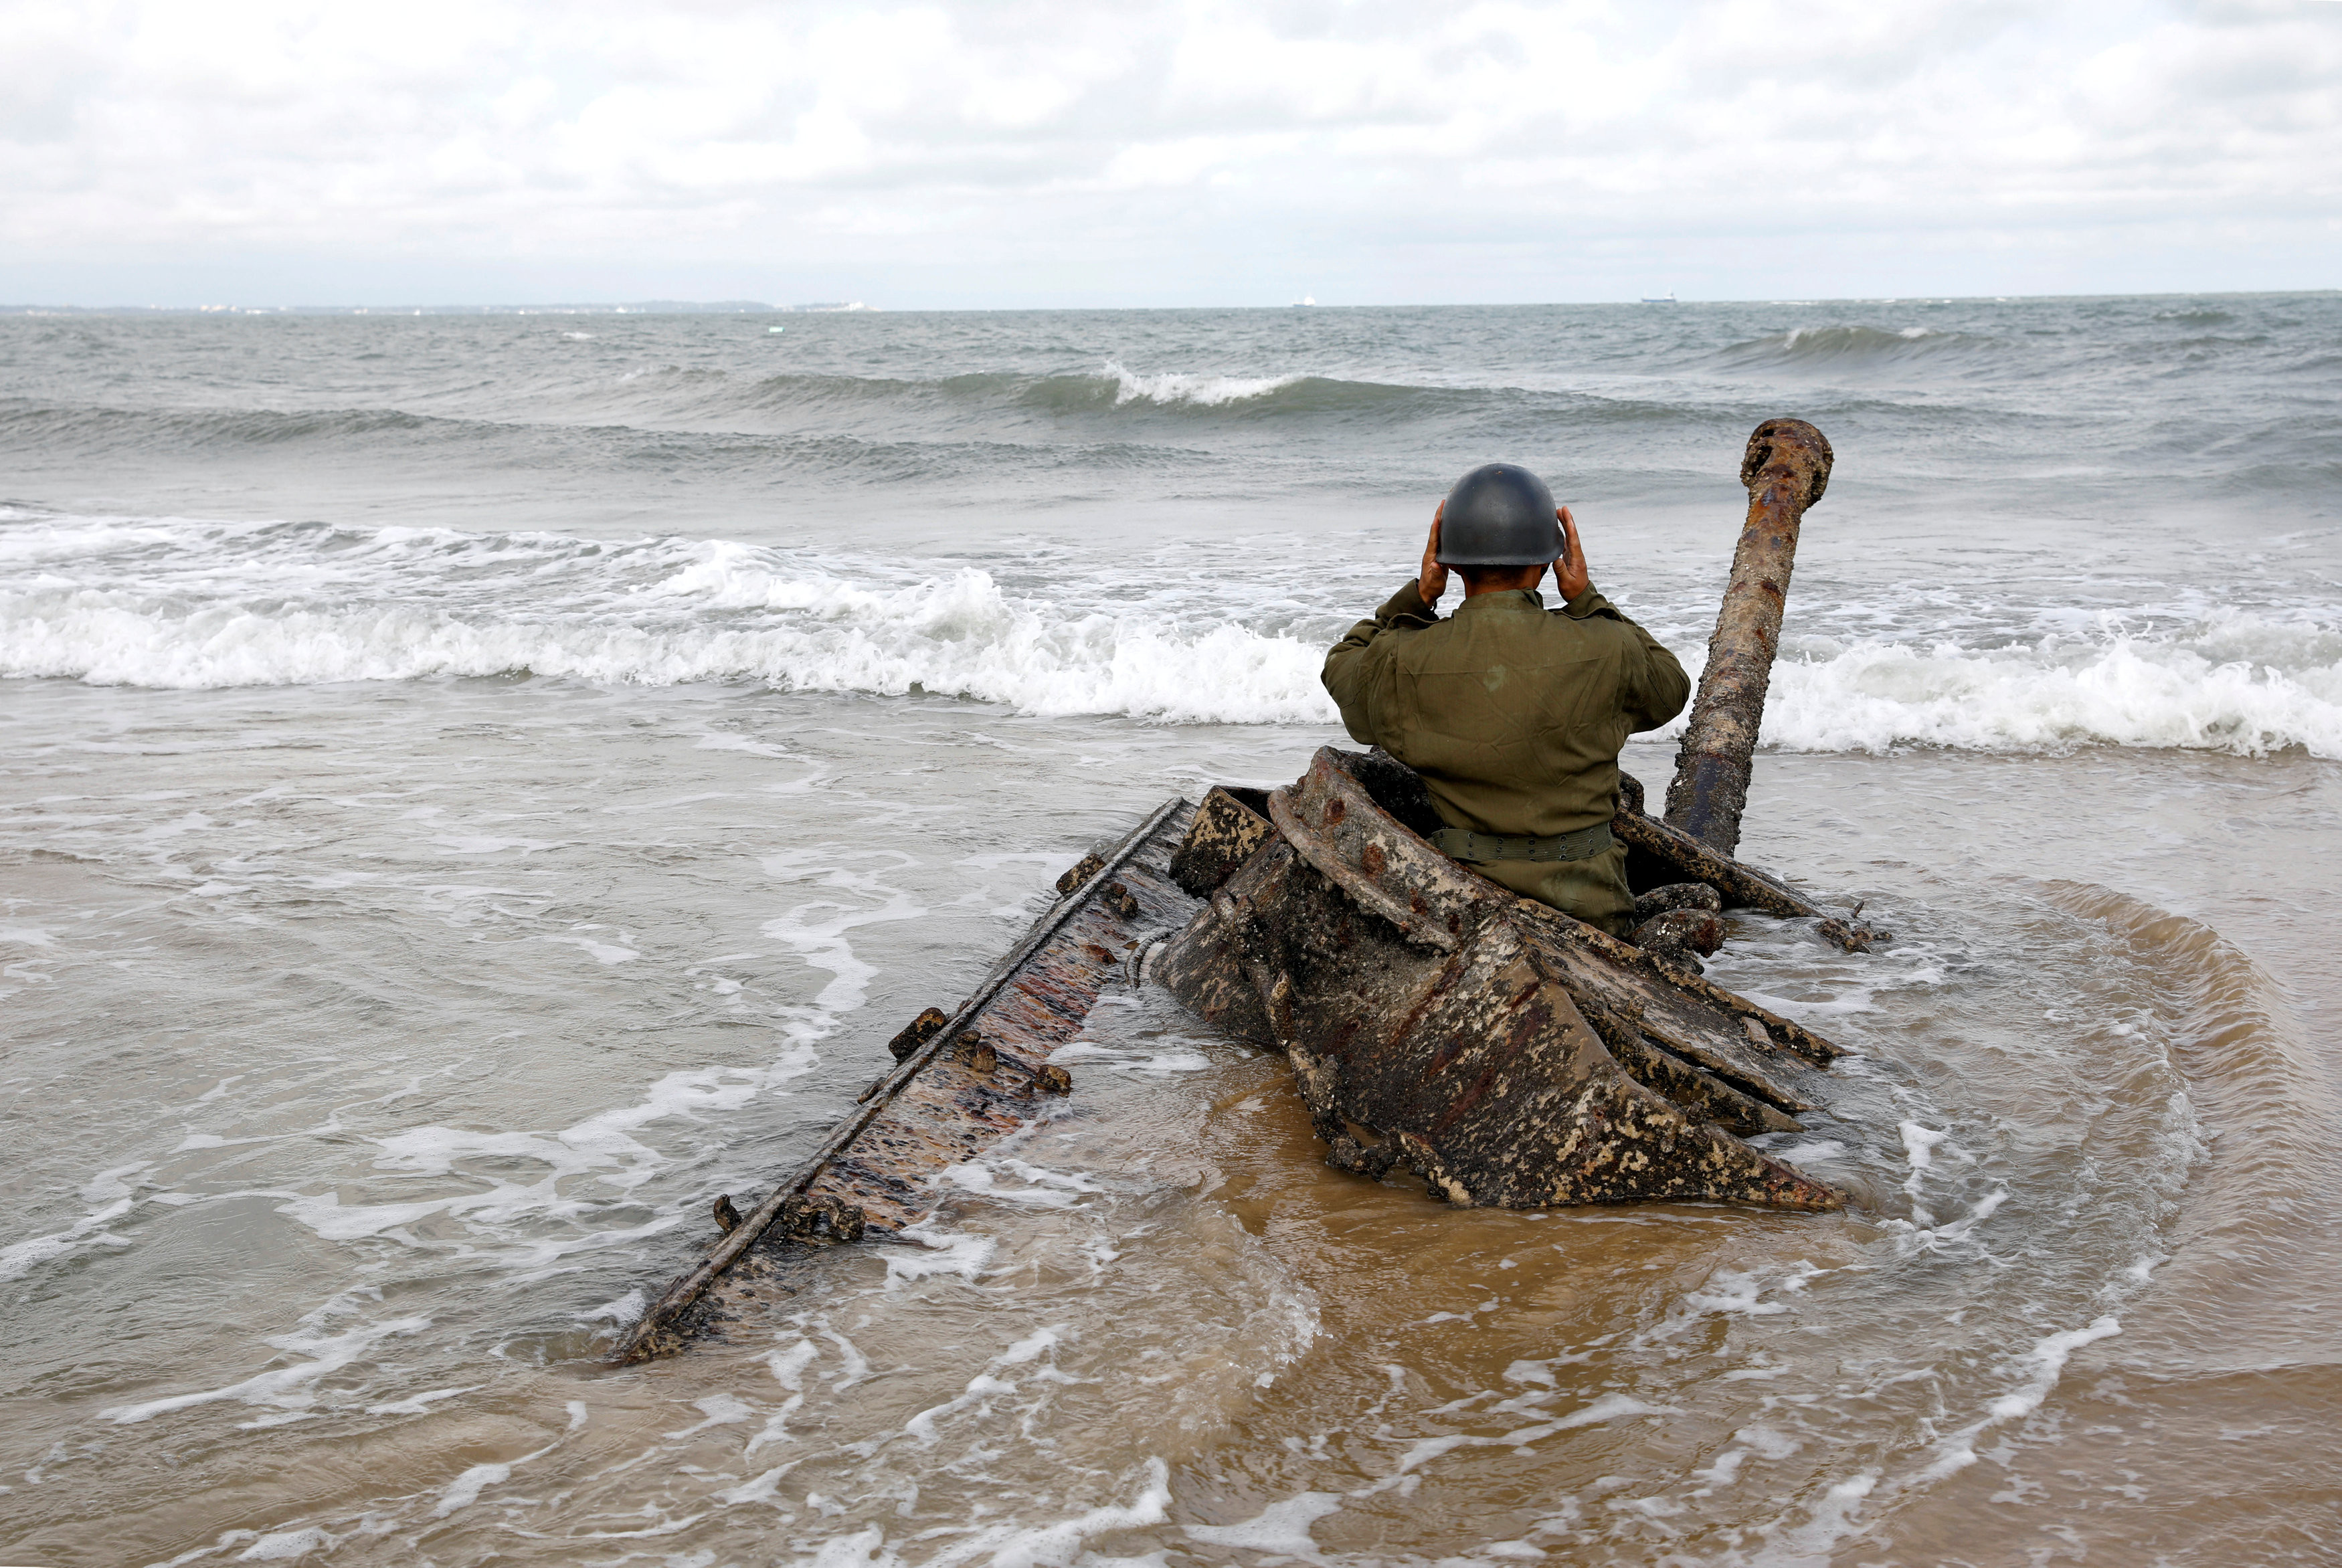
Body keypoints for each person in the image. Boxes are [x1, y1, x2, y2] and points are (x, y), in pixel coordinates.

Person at [1322, 463, 1690, 937]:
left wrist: (1417, 596)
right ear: (1551, 559)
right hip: (1593, 908)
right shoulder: (1607, 646)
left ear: (1449, 563)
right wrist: (1586, 598)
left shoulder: (1402, 657)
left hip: (1465, 902)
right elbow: (1670, 688)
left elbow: (1343, 667)